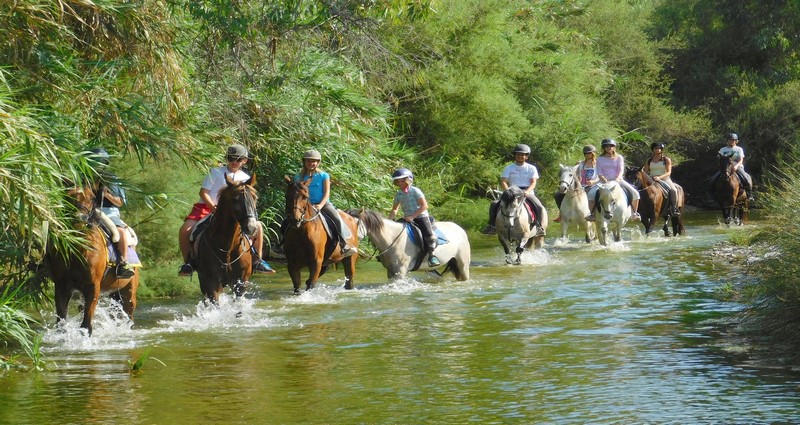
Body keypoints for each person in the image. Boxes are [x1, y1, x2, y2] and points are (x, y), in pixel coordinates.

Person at [177, 144, 275, 276]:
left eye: (238, 159)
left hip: (233, 212)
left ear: (244, 161)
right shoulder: (216, 172)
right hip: (207, 207)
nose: (234, 162)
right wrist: (212, 207)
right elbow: (203, 192)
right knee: (185, 230)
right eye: (231, 158)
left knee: (258, 227)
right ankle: (188, 262)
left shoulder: (245, 178)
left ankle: (257, 260)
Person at [293, 149, 357, 257]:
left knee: (337, 219)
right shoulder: (298, 177)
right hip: (304, 206)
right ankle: (281, 246)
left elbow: (327, 193)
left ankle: (344, 244)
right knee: (288, 220)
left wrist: (320, 205)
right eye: (308, 161)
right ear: (304, 162)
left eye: (314, 161)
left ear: (318, 163)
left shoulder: (324, 175)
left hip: (322, 204)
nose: (311, 163)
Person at [90, 147, 135, 278]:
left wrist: (107, 195)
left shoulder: (111, 179)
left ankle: (123, 262)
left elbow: (120, 202)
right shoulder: (84, 177)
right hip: (88, 211)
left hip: (108, 212)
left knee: (119, 231)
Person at [489, 144, 546, 236]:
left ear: (526, 156)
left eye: (523, 154)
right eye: (518, 154)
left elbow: (533, 182)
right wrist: (508, 192)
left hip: (526, 192)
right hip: (512, 191)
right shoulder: (509, 168)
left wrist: (527, 191)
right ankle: (491, 226)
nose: (520, 156)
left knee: (539, 207)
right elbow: (504, 181)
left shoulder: (531, 168)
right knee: (494, 204)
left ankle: (540, 227)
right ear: (515, 155)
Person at [389, 168, 440, 266]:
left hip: (421, 216)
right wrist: (390, 220)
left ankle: (432, 256)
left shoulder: (415, 191)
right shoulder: (399, 194)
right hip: (407, 218)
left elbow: (424, 206)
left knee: (428, 234)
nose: (400, 183)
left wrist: (413, 216)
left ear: (408, 180)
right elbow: (394, 209)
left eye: (402, 181)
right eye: (398, 181)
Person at [586, 138, 640, 222]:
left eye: (611, 146)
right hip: (603, 181)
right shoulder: (600, 159)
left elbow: (621, 169)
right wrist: (602, 178)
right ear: (603, 148)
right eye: (606, 146)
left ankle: (634, 213)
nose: (609, 148)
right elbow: (599, 171)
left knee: (635, 193)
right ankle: (592, 214)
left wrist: (618, 177)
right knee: (591, 194)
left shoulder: (619, 158)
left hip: (617, 180)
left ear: (614, 147)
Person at [553, 145, 599, 222]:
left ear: (593, 153)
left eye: (589, 153)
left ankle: (594, 214)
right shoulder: (579, 163)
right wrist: (577, 178)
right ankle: (562, 214)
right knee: (558, 194)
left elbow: (601, 176)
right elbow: (573, 174)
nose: (588, 155)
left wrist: (593, 182)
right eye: (586, 153)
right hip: (579, 187)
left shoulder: (598, 164)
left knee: (596, 195)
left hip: (593, 186)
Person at [713, 132, 754, 201]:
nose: (732, 141)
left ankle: (749, 195)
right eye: (730, 140)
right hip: (726, 167)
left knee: (746, 179)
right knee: (713, 179)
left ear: (736, 141)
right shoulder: (723, 149)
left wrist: (736, 166)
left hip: (737, 166)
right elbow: (720, 159)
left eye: (733, 140)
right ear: (727, 140)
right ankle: (713, 195)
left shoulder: (739, 149)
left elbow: (741, 160)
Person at [642, 142, 681, 215]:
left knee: (673, 190)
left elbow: (669, 172)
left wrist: (659, 177)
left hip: (664, 178)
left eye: (659, 148)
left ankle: (673, 208)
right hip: (651, 178)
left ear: (661, 149)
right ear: (653, 150)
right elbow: (646, 172)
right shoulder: (649, 160)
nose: (657, 150)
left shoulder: (666, 160)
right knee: (641, 188)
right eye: (655, 148)